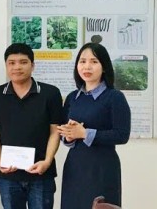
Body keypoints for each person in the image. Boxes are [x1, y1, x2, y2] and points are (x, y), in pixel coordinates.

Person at [0, 43, 63, 209]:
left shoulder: (50, 93)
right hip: (9, 175)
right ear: (6, 66)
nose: (17, 67)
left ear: (32, 65)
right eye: (11, 63)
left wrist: (47, 161)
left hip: (41, 174)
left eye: (23, 62)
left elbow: (55, 131)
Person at [57, 42, 130, 208]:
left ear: (104, 67)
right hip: (75, 167)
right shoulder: (72, 97)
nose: (87, 66)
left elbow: (122, 135)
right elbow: (64, 133)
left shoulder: (115, 97)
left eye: (94, 61)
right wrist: (69, 136)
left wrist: (84, 133)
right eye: (82, 61)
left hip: (102, 168)